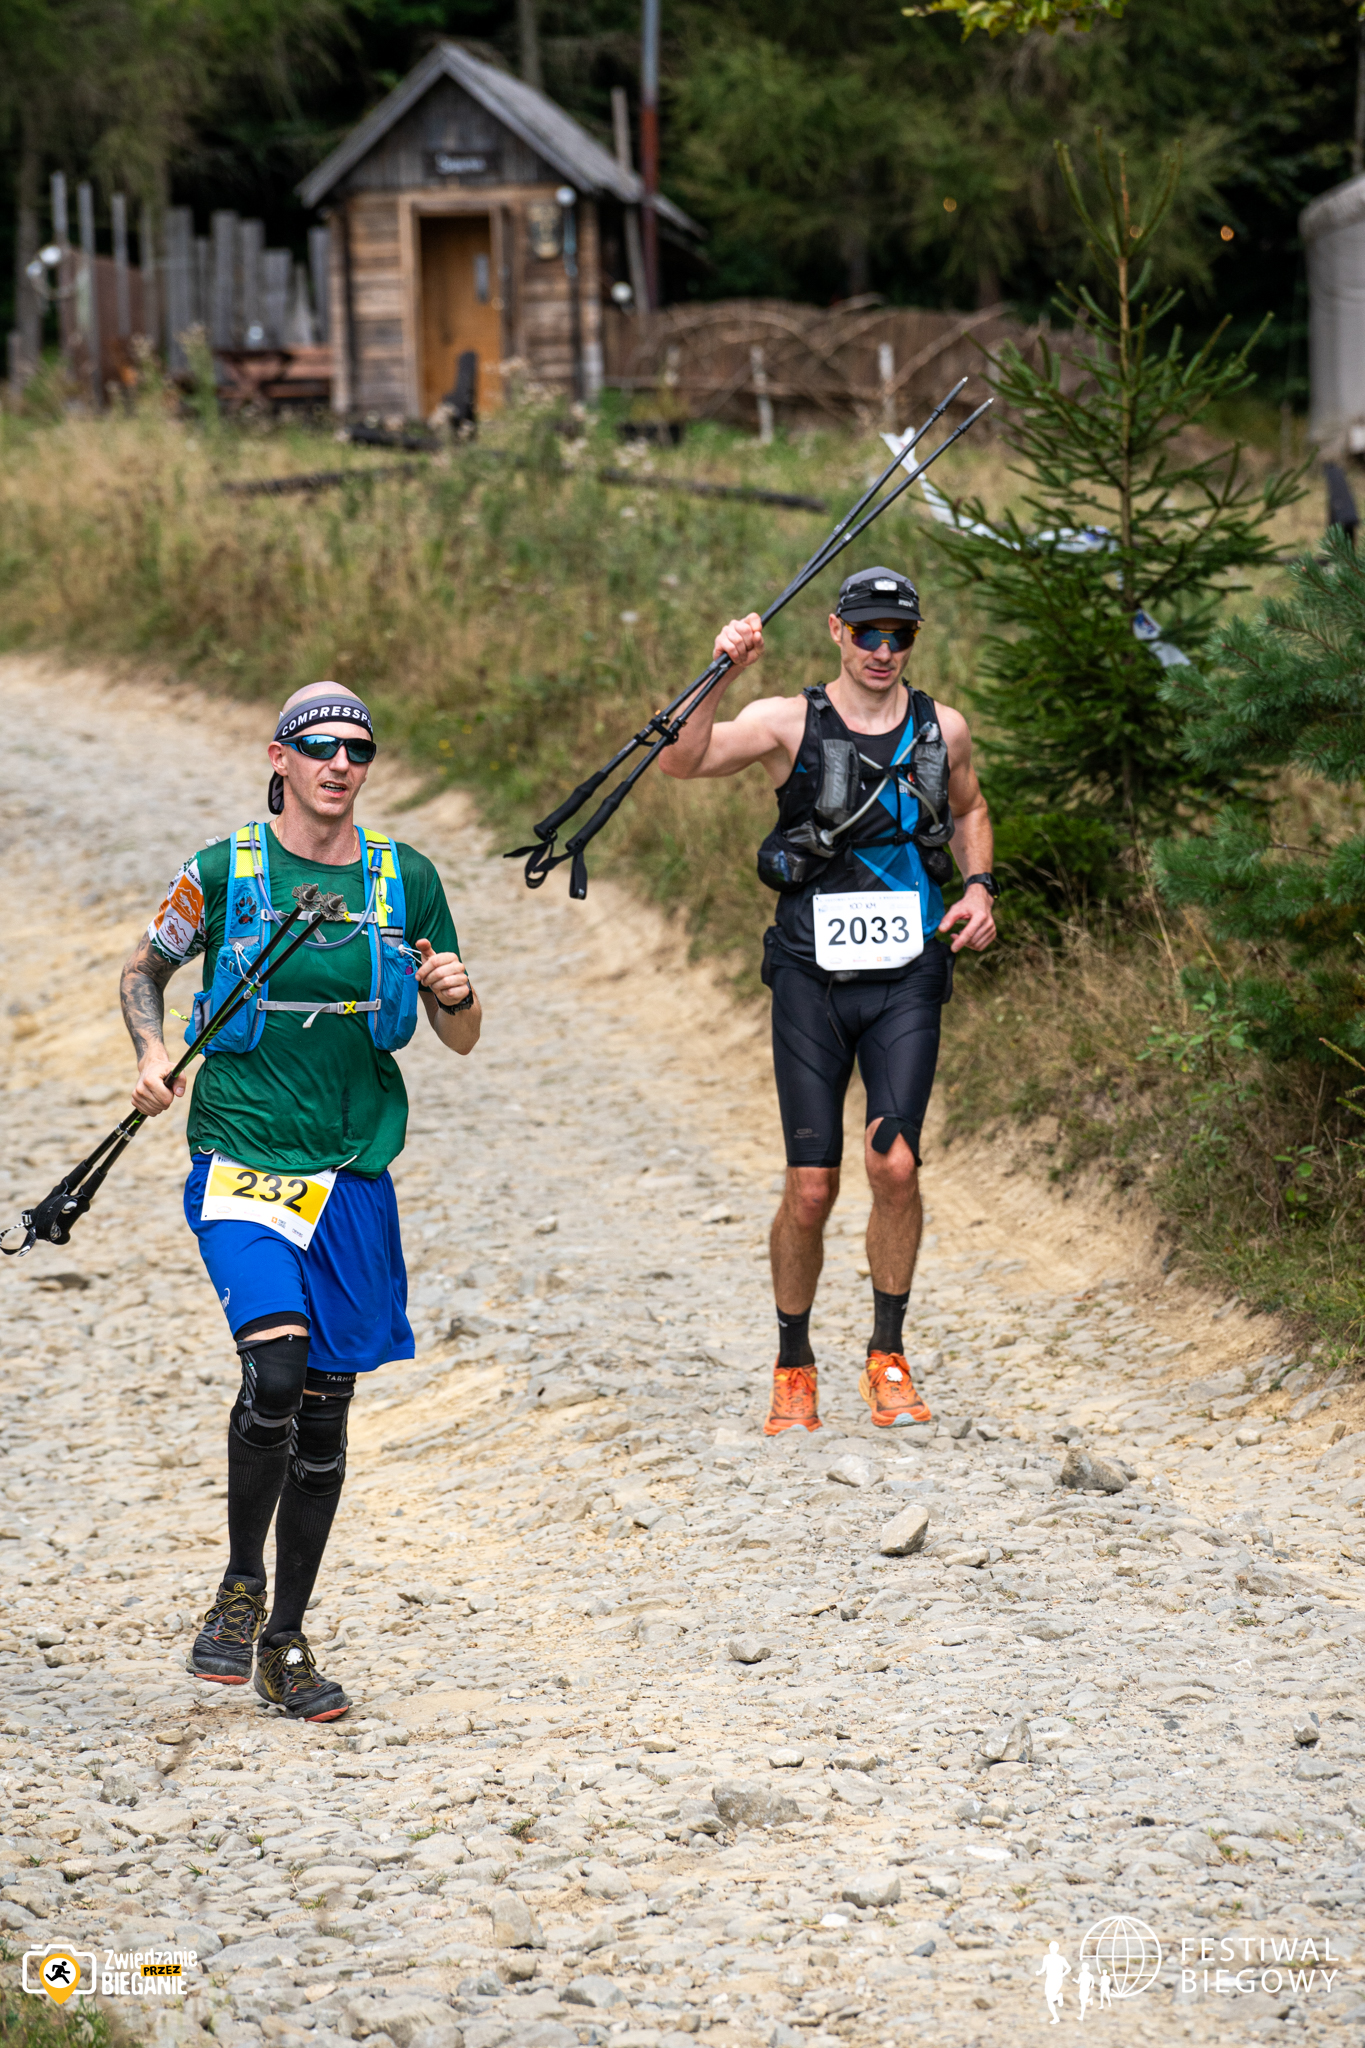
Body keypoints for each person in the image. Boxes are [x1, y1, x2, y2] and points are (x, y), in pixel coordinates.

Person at [120, 683, 480, 1721]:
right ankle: (240, 1586)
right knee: (274, 1370)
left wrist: (457, 994)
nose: (340, 763)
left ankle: (285, 1639)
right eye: (320, 746)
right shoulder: (223, 869)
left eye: (358, 749)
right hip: (241, 1155)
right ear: (279, 757)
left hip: (354, 1170)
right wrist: (151, 1050)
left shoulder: (405, 879)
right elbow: (145, 968)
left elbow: (462, 1036)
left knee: (325, 1415)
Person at [659, 567, 997, 1435]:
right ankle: (792, 1363)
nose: (882, 650)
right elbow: (682, 760)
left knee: (895, 1165)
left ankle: (887, 1357)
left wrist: (978, 887)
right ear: (836, 632)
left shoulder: (943, 727)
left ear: (912, 641)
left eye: (899, 635)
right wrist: (721, 671)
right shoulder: (786, 721)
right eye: (867, 632)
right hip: (809, 978)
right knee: (810, 1189)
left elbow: (969, 809)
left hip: (906, 976)